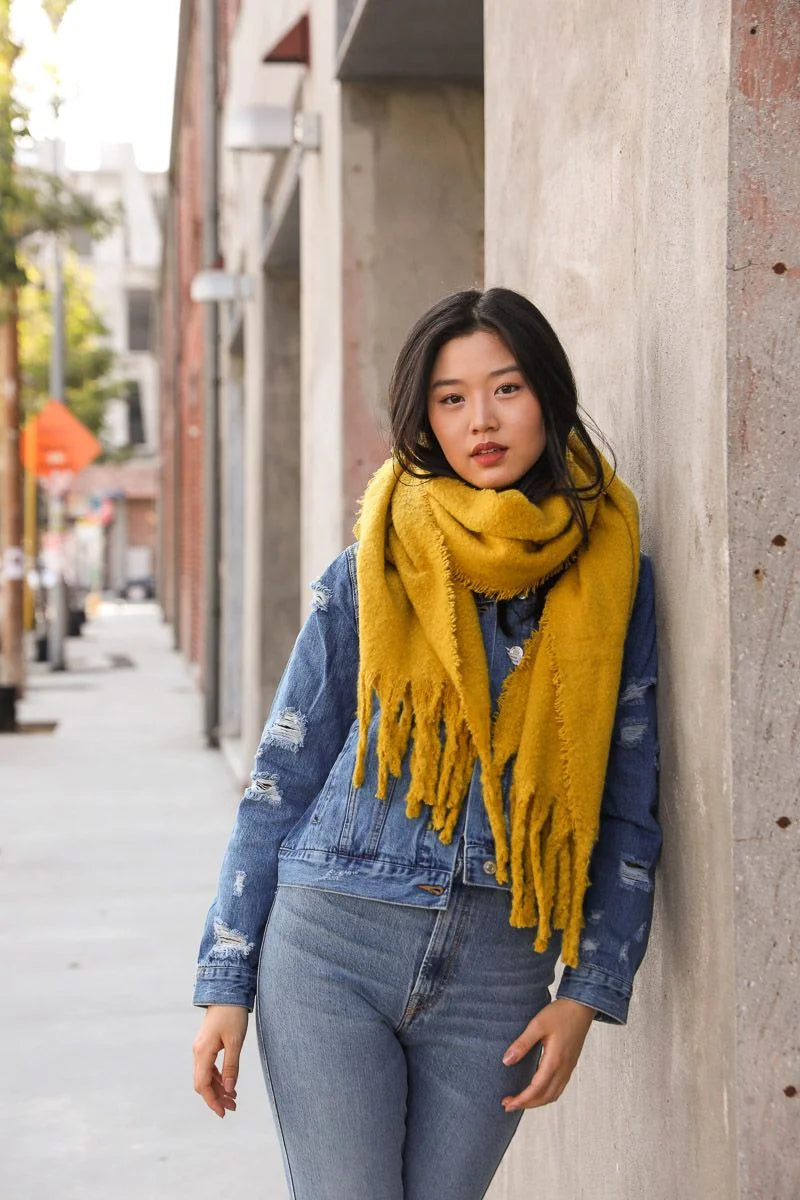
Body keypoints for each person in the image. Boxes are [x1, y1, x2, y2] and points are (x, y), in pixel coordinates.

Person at [192, 287, 661, 1200]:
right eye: (451, 398)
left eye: (506, 389)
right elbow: (279, 780)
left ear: (549, 397)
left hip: (502, 967)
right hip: (332, 942)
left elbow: (627, 800)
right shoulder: (374, 560)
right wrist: (226, 979)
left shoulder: (615, 574)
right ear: (425, 417)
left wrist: (588, 988)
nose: (480, 420)